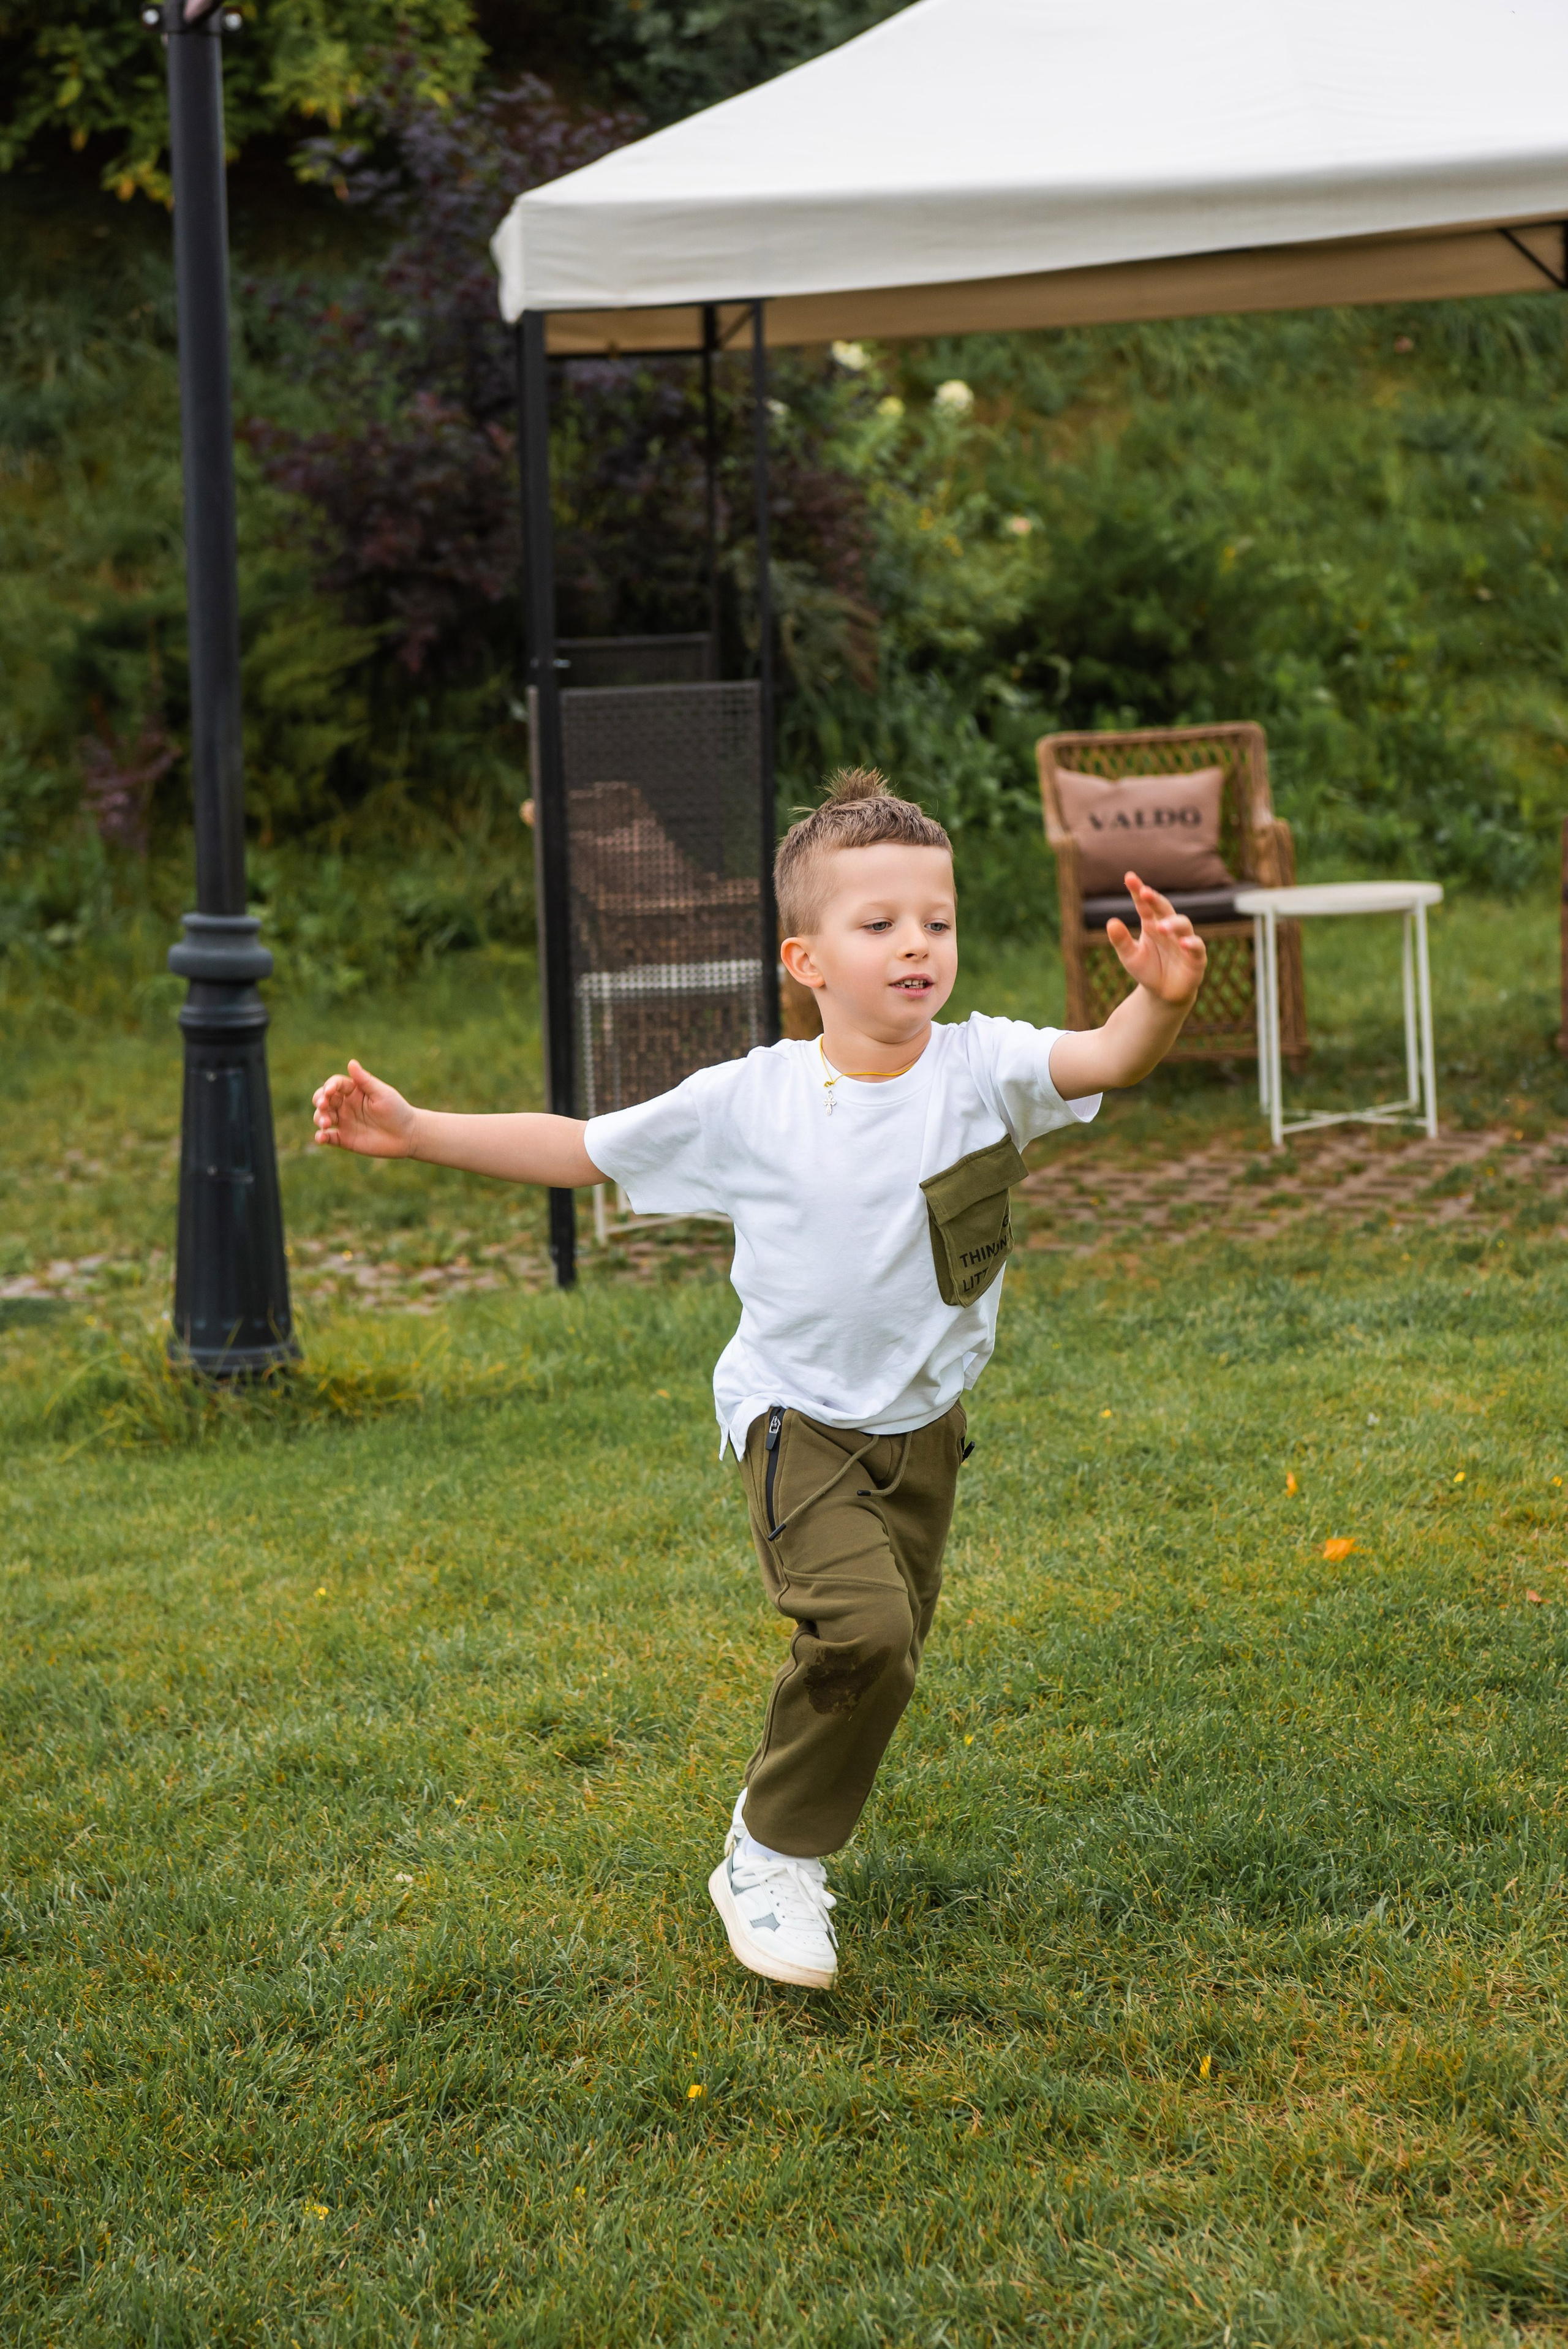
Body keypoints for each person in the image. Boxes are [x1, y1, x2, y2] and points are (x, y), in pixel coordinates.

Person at [312, 768, 1207, 1991]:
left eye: (935, 923)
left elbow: (1107, 1054)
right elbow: (580, 1148)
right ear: (805, 958)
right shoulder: (753, 1102)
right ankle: (770, 1858)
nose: (915, 947)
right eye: (878, 924)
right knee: (865, 1629)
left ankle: (774, 1832)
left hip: (926, 1433)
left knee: (877, 1661)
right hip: (796, 1422)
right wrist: (417, 1129)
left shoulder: (983, 1070)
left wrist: (1154, 1001)